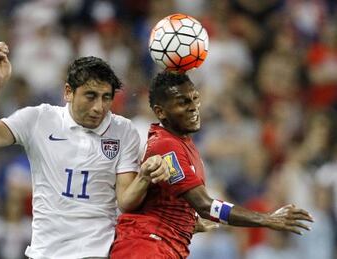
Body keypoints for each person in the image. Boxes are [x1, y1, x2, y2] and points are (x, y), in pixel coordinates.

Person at [0, 42, 170, 259]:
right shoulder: (39, 119)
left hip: (97, 252)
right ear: (68, 92)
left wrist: (144, 177)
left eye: (106, 97)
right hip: (46, 252)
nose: (99, 107)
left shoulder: (123, 130)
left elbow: (126, 200)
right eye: (90, 96)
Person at [110, 71, 314, 259]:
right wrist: (267, 219)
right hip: (145, 248)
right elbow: (205, 205)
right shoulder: (166, 146)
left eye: (195, 98)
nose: (193, 107)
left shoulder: (182, 143)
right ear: (160, 112)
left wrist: (189, 221)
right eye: (182, 102)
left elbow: (164, 202)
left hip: (159, 247)